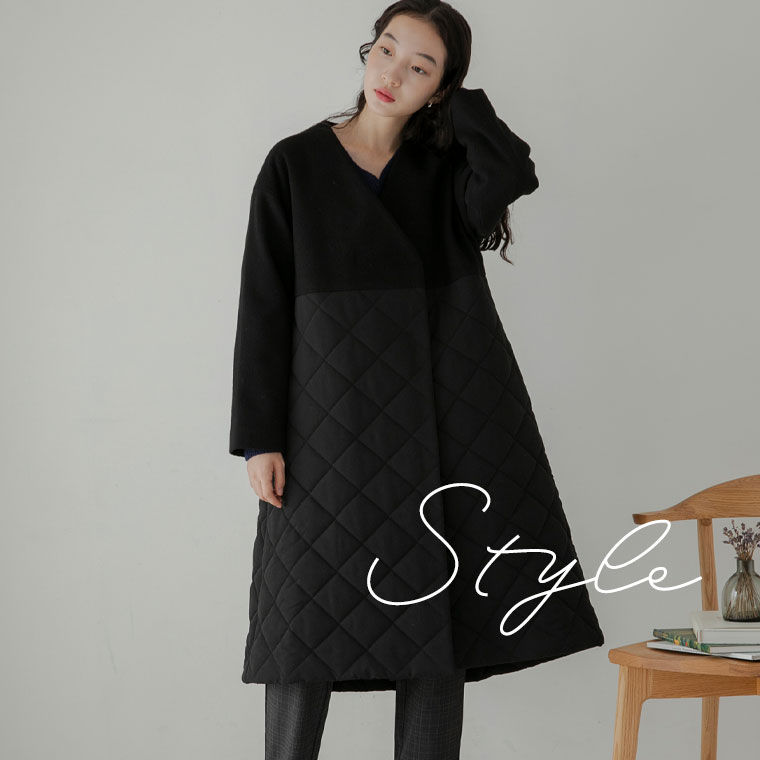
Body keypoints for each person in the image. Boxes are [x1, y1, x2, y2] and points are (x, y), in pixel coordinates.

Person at [229, 2, 605, 758]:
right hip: (326, 426)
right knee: (303, 628)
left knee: (438, 620)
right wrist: (259, 437)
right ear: (367, 50)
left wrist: (461, 104)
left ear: (440, 87)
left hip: (444, 422)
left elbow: (514, 172)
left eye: (420, 66)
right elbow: (264, 305)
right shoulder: (295, 164)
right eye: (387, 50)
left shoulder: (446, 174)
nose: (392, 73)